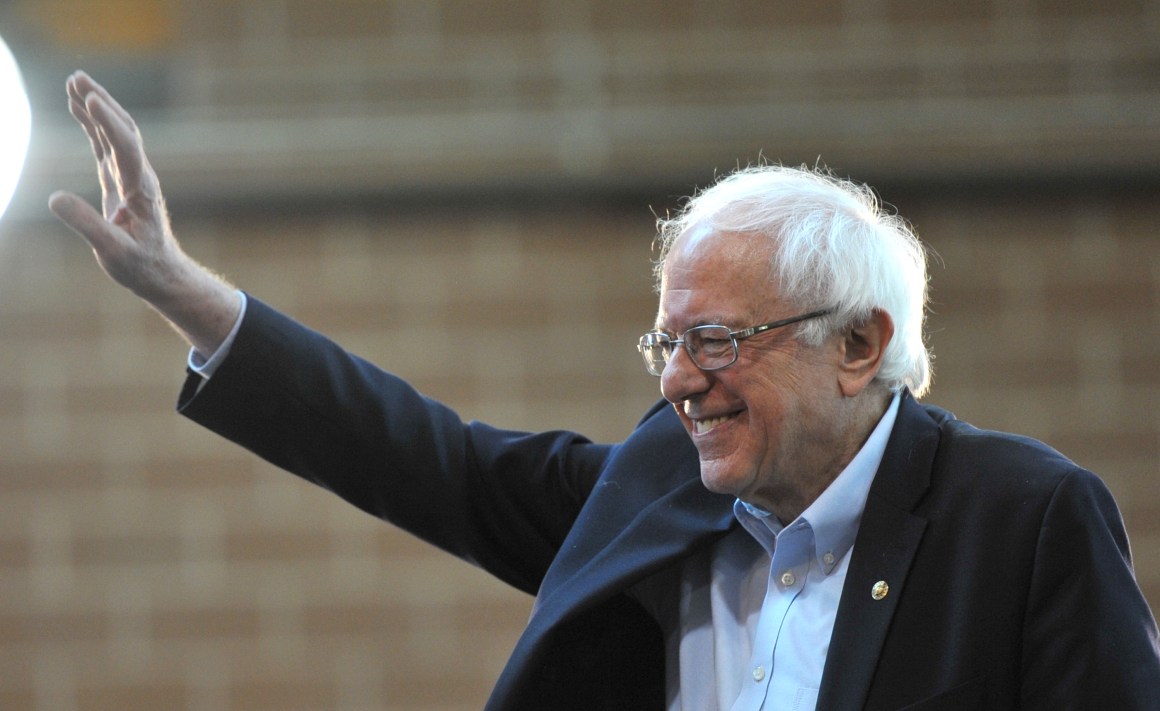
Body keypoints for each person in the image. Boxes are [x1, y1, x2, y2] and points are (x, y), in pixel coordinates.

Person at [49, 71, 1160, 710]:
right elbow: (426, 458)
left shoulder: (1021, 520)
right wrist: (193, 300)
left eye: (717, 341)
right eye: (666, 341)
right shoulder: (654, 488)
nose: (679, 382)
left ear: (860, 343)